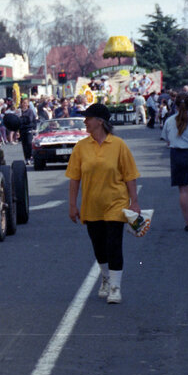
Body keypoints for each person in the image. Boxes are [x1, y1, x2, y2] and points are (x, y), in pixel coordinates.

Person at [66, 103, 140, 304]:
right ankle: (106, 278)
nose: (85, 122)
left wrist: (134, 202)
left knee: (114, 244)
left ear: (99, 121)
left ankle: (115, 287)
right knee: (99, 246)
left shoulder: (118, 145)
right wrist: (72, 205)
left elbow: (130, 175)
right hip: (92, 205)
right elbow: (74, 178)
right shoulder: (81, 147)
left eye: (88, 118)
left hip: (116, 203)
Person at [162, 93, 188, 231]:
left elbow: (166, 139)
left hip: (178, 155)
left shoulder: (169, 121)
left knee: (184, 191)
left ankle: (187, 222)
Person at [19, 97, 38, 164]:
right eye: (23, 103)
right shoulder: (19, 111)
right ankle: (27, 158)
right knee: (24, 145)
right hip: (22, 129)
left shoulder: (30, 111)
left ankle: (31, 157)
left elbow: (29, 120)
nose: (24, 104)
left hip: (29, 129)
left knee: (29, 143)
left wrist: (22, 118)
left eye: (26, 103)